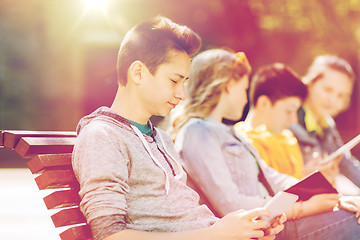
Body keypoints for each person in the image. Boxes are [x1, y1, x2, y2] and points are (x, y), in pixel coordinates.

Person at [72, 16, 284, 240]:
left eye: (184, 83)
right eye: (174, 81)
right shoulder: (103, 136)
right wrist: (218, 234)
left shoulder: (161, 138)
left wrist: (243, 231)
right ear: (138, 73)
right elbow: (110, 236)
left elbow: (185, 219)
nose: (182, 94)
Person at [170, 48, 360, 240]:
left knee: (352, 209)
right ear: (227, 86)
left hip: (274, 222)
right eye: (244, 89)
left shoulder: (231, 133)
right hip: (261, 228)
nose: (246, 98)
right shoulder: (197, 131)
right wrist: (302, 208)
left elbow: (273, 177)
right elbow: (229, 203)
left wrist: (326, 194)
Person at [234, 63, 339, 183]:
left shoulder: (288, 139)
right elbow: (267, 195)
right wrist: (304, 179)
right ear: (264, 104)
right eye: (289, 111)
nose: (294, 120)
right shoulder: (241, 144)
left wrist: (318, 178)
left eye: (296, 112)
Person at [290, 55, 360, 191]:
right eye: (328, 90)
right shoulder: (289, 121)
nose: (333, 100)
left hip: (327, 200)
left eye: (341, 95)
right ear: (310, 83)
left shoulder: (327, 123)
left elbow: (346, 163)